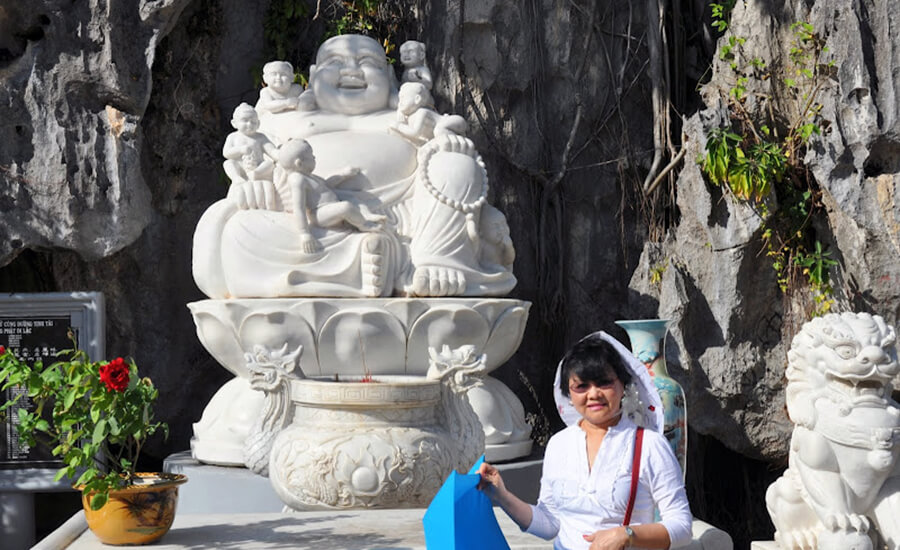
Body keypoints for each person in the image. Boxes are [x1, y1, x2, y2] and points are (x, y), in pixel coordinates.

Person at [477, 332, 693, 550]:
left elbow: (682, 526)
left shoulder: (649, 445)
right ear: (569, 394)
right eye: (581, 386)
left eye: (604, 383)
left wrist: (626, 534)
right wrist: (501, 495)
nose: (593, 394)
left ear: (623, 386)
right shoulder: (559, 444)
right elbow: (550, 523)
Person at [275, 139, 386, 254]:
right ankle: (363, 224)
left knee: (352, 198)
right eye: (311, 156)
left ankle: (367, 215)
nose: (314, 158)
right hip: (319, 213)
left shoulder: (309, 176)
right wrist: (304, 233)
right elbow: (299, 208)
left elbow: (326, 184)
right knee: (345, 207)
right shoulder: (297, 179)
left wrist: (343, 175)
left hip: (330, 205)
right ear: (299, 163)